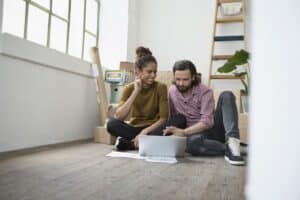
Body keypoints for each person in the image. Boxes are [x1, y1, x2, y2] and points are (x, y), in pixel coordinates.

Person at [163, 60, 245, 165]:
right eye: (178, 79)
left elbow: (207, 122)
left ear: (193, 77)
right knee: (191, 143)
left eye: (185, 79)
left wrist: (184, 132)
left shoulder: (205, 91)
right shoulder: (172, 91)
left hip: (213, 131)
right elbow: (173, 116)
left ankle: (233, 144)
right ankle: (227, 149)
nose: (181, 83)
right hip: (193, 137)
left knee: (227, 95)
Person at [107, 47, 185, 151]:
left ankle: (132, 144)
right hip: (135, 129)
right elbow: (119, 116)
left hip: (155, 129)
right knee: (112, 124)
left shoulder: (161, 87)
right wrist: (136, 92)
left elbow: (163, 119)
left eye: (155, 72)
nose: (153, 75)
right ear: (138, 72)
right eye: (149, 72)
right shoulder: (129, 88)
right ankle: (146, 143)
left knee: (180, 119)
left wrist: (145, 132)